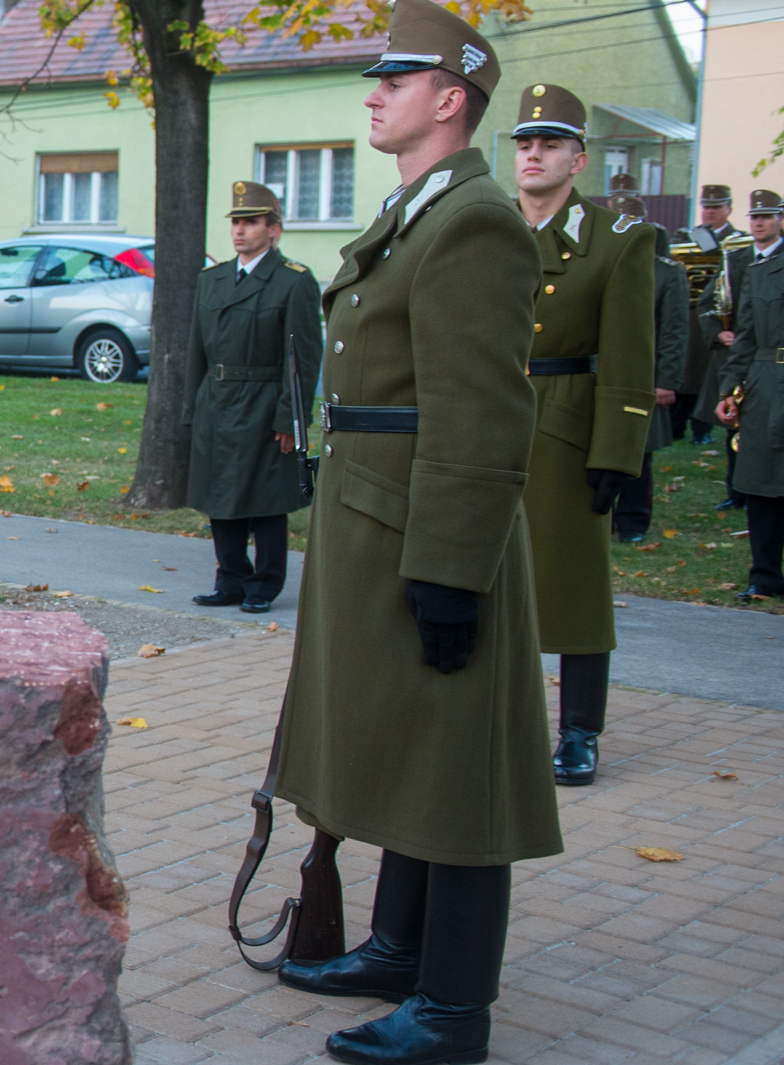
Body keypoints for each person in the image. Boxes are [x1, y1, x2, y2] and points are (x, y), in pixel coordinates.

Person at [271, 3, 562, 1060]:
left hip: (432, 533)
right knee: (402, 744)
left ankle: (452, 1009)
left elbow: (483, 416)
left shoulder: (474, 219)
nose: (371, 94)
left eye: (393, 80)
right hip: (374, 519)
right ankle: (398, 947)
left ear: (450, 99)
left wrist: (447, 570)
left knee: (455, 766)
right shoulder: (420, 211)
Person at [511, 84, 655, 788]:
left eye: (550, 143)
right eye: (524, 142)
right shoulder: (489, 227)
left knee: (575, 588)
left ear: (579, 158)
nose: (534, 154)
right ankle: (496, 718)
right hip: (490, 421)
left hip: (566, 424)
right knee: (481, 577)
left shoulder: (619, 241)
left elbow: (630, 356)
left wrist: (618, 453)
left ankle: (579, 732)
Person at [183, 182, 322, 614]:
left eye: (252, 222)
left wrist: (290, 419)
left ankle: (265, 583)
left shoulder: (292, 282)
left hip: (265, 402)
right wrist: (192, 410)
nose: (240, 231)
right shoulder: (213, 279)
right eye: (237, 222)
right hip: (217, 401)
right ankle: (230, 578)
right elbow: (196, 353)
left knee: (265, 499)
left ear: (274, 229)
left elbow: (302, 358)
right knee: (219, 496)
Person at [716, 202, 784, 604]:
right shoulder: (761, 273)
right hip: (765, 385)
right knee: (763, 484)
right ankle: (764, 578)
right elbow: (744, 335)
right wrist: (730, 389)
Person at [698, 189, 784, 510]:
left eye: (767, 217)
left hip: (772, 358)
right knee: (737, 428)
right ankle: (737, 492)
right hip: (741, 354)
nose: (759, 223)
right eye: (755, 217)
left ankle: (764, 492)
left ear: (779, 220)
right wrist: (720, 332)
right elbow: (709, 301)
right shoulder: (736, 258)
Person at [611, 202, 689, 542]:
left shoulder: (666, 272)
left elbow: (674, 330)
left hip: (645, 375)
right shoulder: (603, 264)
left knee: (638, 453)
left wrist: (666, 381)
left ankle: (632, 522)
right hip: (603, 371)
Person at [679, 185, 740, 444]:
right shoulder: (688, 237)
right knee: (687, 373)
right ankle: (678, 426)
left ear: (729, 209)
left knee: (710, 375)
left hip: (723, 317)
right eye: (706, 207)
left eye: (716, 207)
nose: (709, 212)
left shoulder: (739, 240)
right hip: (693, 314)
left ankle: (703, 429)